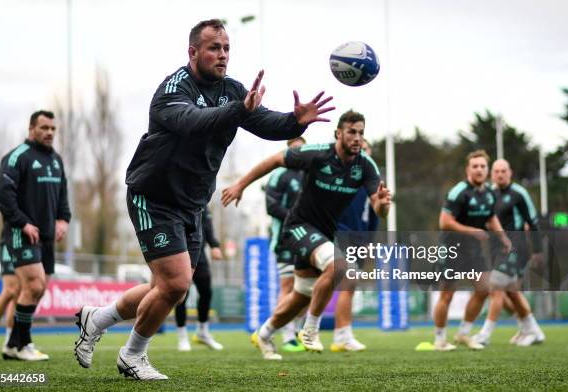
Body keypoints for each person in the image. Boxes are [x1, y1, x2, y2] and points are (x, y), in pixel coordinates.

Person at [73, 18, 334, 380]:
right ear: (193, 52)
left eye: (226, 48)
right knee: (176, 284)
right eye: (214, 48)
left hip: (192, 204)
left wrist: (295, 121)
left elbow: (265, 121)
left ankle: (96, 318)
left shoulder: (232, 90)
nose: (223, 54)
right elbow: (193, 121)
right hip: (154, 197)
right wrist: (240, 109)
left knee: (164, 288)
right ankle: (132, 357)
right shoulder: (172, 89)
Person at [222, 109, 391, 360]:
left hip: (323, 233)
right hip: (298, 226)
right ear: (338, 134)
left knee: (302, 295)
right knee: (338, 267)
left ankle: (265, 334)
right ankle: (309, 330)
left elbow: (378, 205)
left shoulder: (365, 165)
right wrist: (240, 185)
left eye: (361, 133)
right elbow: (275, 160)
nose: (357, 138)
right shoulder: (319, 153)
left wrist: (383, 206)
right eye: (351, 132)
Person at [0, 110, 71, 361]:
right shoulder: (17, 157)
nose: (49, 132)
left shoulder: (56, 160)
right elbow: (2, 194)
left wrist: (63, 219)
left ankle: (12, 344)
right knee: (34, 285)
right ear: (31, 129)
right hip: (21, 234)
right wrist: (23, 223)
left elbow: (62, 195)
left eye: (53, 129)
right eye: (44, 128)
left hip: (47, 237)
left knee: (39, 290)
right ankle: (23, 344)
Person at [433, 149, 511, 351]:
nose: (479, 170)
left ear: (487, 170)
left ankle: (463, 334)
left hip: (474, 250)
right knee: (447, 295)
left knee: (484, 289)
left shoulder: (490, 194)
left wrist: (503, 237)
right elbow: (444, 222)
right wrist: (473, 231)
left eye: (483, 166)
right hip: (451, 248)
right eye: (475, 166)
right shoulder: (459, 192)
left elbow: (491, 218)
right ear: (468, 169)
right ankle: (440, 339)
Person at [471, 159, 545, 346]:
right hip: (496, 250)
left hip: (516, 248)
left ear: (510, 172)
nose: (500, 174)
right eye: (496, 171)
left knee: (495, 286)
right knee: (512, 293)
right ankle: (533, 330)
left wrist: (538, 250)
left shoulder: (519, 193)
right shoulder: (488, 194)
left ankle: (485, 335)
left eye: (504, 170)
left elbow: (533, 222)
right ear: (492, 173)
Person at [331, 139, 378, 353]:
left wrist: (369, 240)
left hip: (360, 240)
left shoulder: (373, 184)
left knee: (350, 286)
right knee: (347, 284)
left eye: (368, 151)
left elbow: (374, 215)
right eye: (362, 151)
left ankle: (342, 334)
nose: (365, 154)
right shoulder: (343, 177)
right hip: (342, 235)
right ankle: (342, 335)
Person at [265, 136, 306, 353]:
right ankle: (287, 335)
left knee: (310, 288)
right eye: (295, 149)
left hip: (308, 239)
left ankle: (298, 330)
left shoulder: (309, 174)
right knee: (288, 287)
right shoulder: (279, 173)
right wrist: (294, 218)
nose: (299, 153)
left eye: (302, 148)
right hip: (285, 239)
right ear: (288, 150)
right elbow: (270, 205)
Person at [175, 206, 224, 352]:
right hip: (179, 251)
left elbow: (207, 225)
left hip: (199, 252)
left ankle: (202, 331)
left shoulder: (201, 200)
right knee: (181, 294)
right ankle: (182, 336)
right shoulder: (177, 195)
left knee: (206, 292)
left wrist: (214, 245)